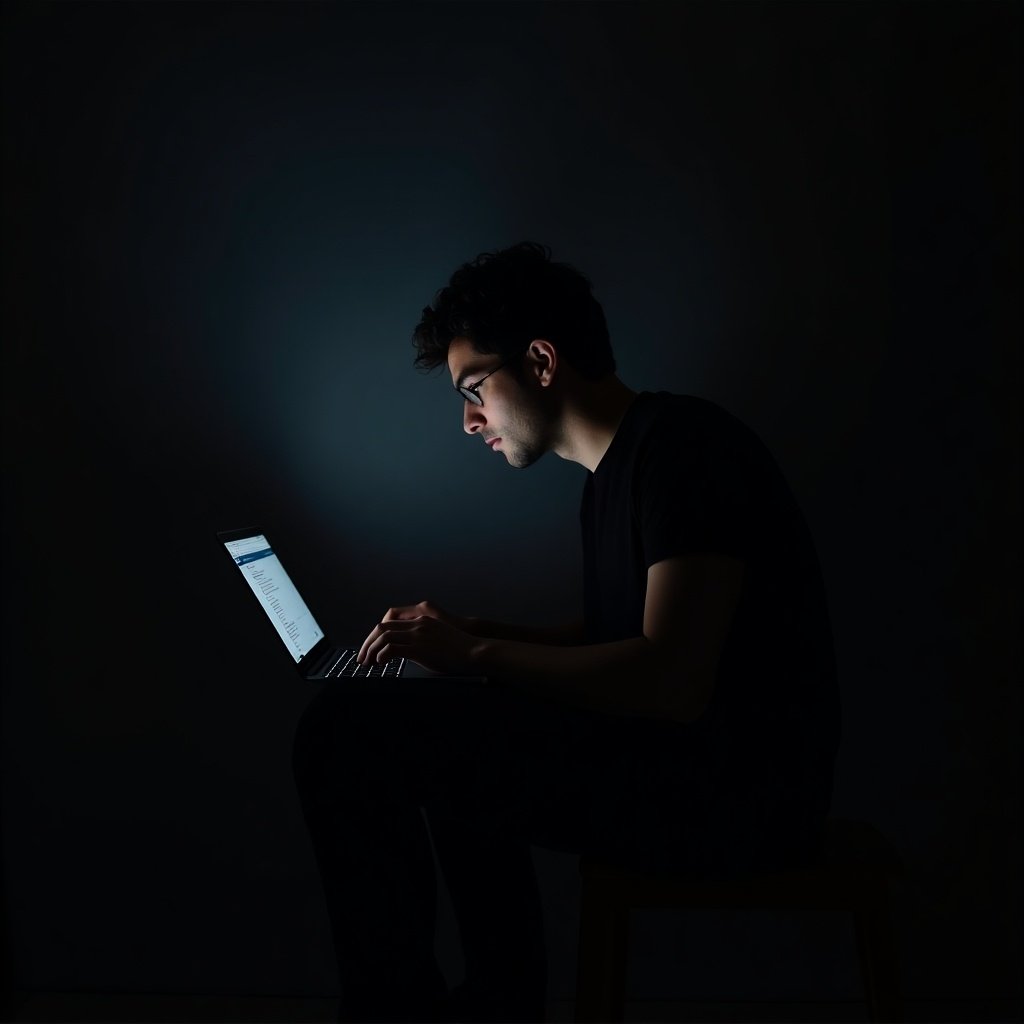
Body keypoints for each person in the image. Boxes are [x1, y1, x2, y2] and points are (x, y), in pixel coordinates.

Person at [291, 242, 841, 1023]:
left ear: (541, 361)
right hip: (678, 769)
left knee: (341, 733)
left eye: (475, 387)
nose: (468, 419)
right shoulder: (615, 473)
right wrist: (468, 638)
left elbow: (672, 683)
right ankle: (495, 1000)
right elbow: (612, 640)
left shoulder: (683, 451)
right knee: (444, 721)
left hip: (734, 799)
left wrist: (478, 654)